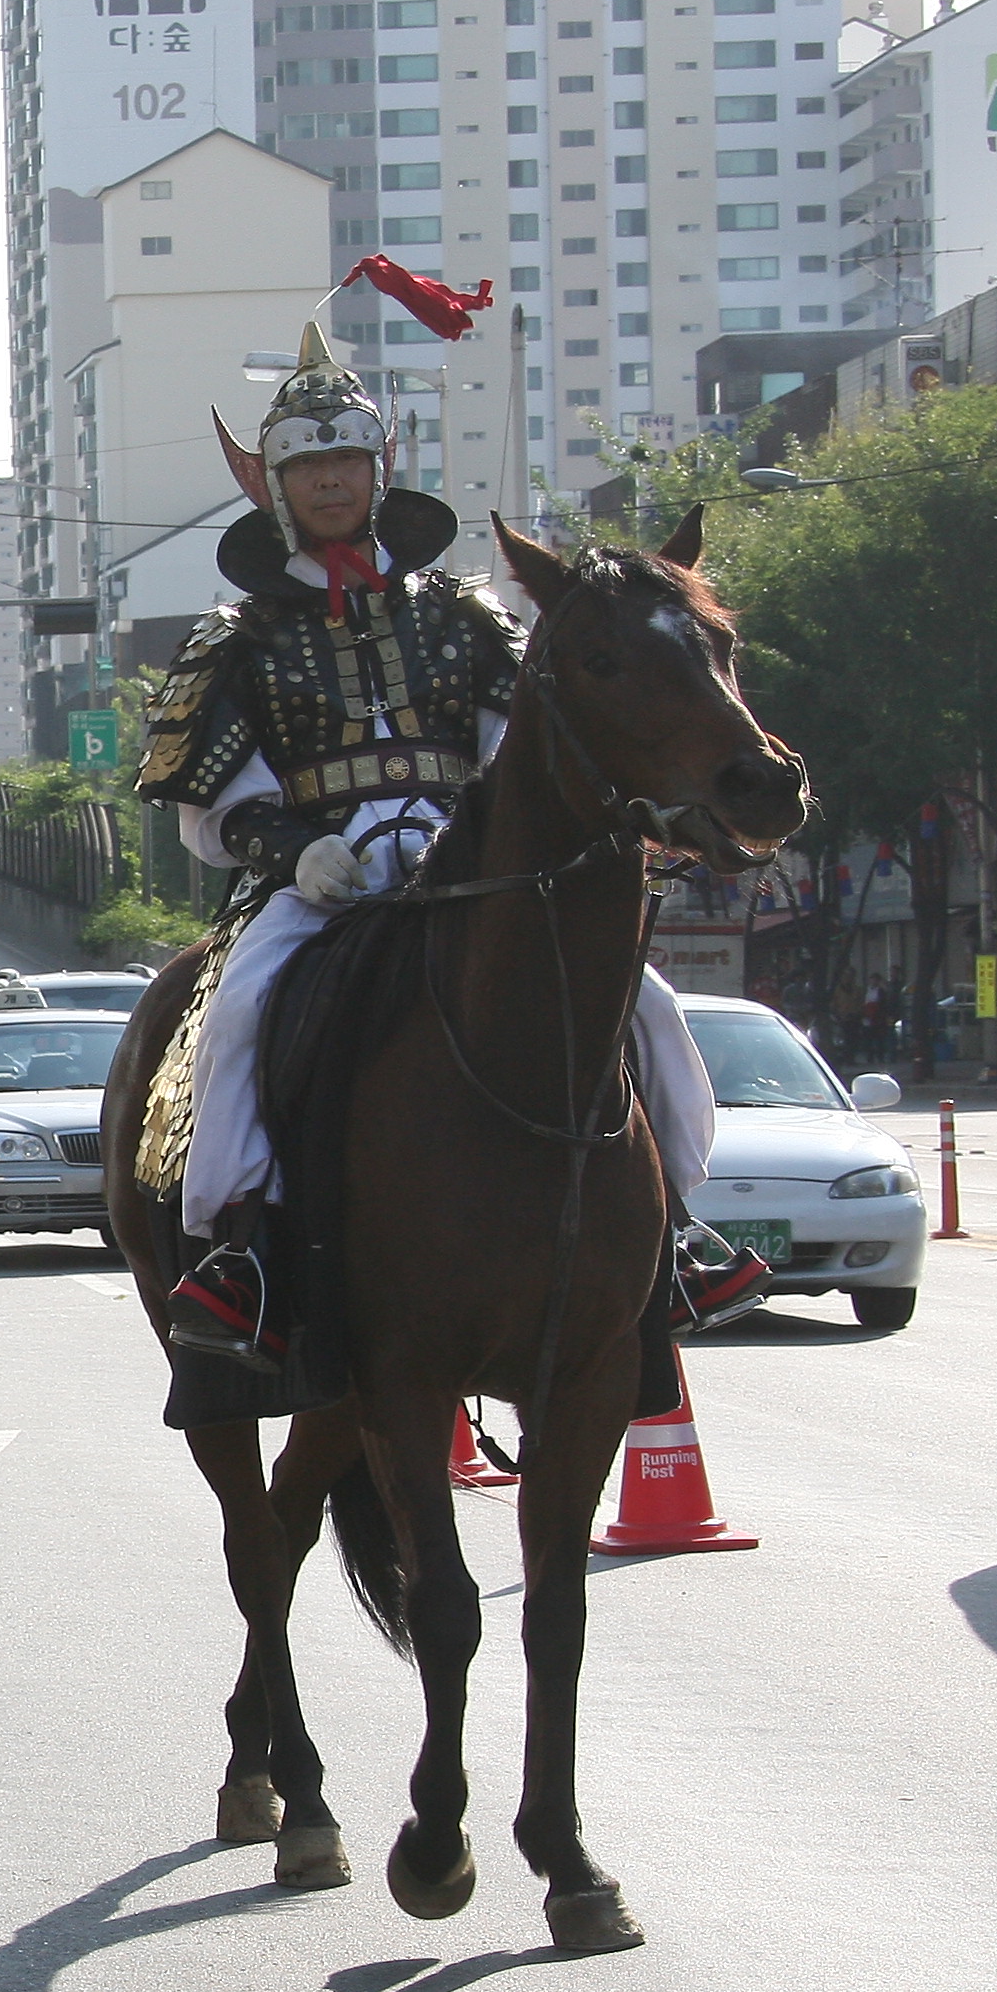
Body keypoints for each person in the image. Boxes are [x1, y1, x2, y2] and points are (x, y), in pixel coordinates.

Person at [134, 323, 754, 1365]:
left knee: (646, 1003)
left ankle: (680, 1226)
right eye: (309, 465)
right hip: (322, 880)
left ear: (379, 472)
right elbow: (210, 803)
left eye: (348, 461)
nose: (332, 481)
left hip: (467, 859)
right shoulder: (237, 638)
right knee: (238, 1004)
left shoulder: (463, 615)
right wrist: (295, 853)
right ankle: (238, 1247)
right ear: (275, 485)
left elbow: (529, 749)